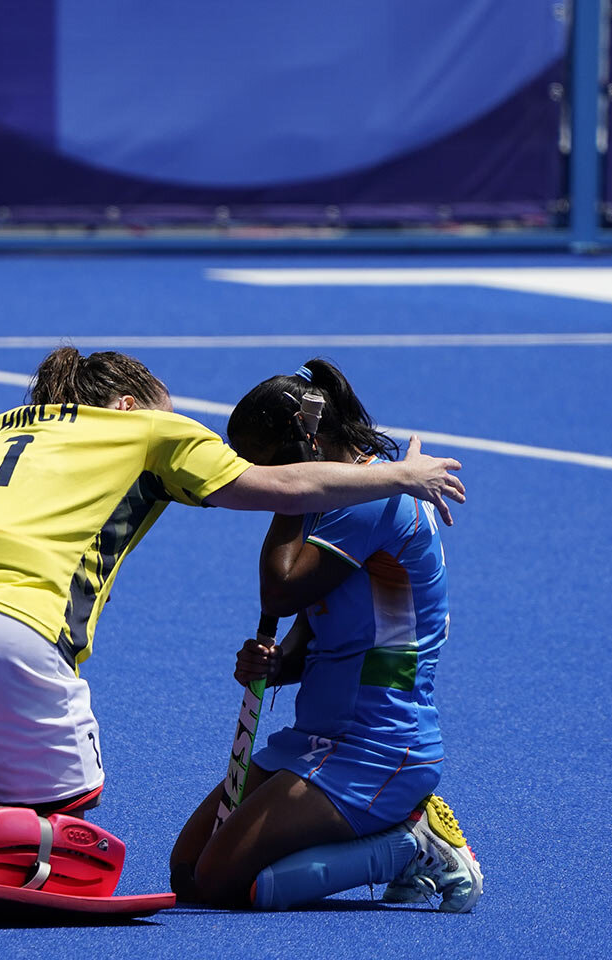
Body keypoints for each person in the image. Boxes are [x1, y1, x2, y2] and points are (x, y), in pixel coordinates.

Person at [0, 347, 465, 818]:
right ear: (125, 406)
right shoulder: (148, 430)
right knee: (59, 827)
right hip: (3, 627)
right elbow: (280, 487)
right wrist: (400, 477)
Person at [167, 358, 482, 912]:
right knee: (189, 871)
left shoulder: (377, 500)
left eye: (259, 463)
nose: (252, 478)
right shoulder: (341, 495)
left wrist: (294, 488)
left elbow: (281, 591)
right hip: (317, 736)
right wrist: (277, 664)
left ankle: (408, 847)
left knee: (222, 884)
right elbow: (313, 630)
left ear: (300, 447)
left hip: (378, 747)